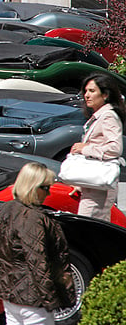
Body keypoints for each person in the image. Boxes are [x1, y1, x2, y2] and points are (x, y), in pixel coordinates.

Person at [0, 162, 75, 325]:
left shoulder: (7, 209)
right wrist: (50, 299)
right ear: (33, 187)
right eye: (45, 187)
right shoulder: (33, 219)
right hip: (32, 296)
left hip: (10, 291)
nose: (48, 192)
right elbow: (38, 261)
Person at [71, 74, 125, 221]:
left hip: (100, 189)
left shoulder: (108, 116)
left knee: (89, 230)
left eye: (92, 91)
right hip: (93, 186)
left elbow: (114, 148)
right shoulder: (99, 116)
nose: (87, 95)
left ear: (105, 94)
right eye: (86, 91)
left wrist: (84, 148)